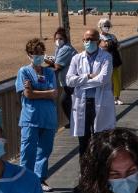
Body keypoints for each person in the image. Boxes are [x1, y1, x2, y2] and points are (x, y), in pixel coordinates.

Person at [17, 38, 60, 193]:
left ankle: (40, 179)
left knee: (44, 151)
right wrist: (45, 93)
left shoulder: (49, 72)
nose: (39, 56)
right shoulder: (24, 71)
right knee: (27, 150)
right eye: (36, 54)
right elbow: (27, 94)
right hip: (30, 118)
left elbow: (54, 93)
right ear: (29, 54)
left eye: (41, 53)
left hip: (48, 118)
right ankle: (24, 181)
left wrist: (36, 91)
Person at [67, 28, 117, 158]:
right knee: (83, 142)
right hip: (83, 104)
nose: (89, 42)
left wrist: (80, 83)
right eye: (86, 39)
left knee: (101, 140)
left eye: (92, 39)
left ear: (98, 41)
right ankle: (84, 173)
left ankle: (99, 172)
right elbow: (69, 80)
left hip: (100, 102)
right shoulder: (76, 58)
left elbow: (103, 79)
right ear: (83, 41)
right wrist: (88, 76)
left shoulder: (106, 57)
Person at [52, 28, 77, 129]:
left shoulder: (66, 48)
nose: (58, 41)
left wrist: (50, 63)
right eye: (56, 39)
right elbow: (57, 61)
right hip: (68, 81)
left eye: (60, 38)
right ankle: (74, 122)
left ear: (65, 39)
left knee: (65, 101)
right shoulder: (59, 48)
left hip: (72, 81)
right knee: (67, 102)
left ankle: (75, 123)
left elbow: (58, 66)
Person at [98, 18, 125, 106]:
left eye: (108, 26)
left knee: (116, 79)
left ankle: (116, 97)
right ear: (100, 26)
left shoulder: (112, 36)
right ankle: (106, 97)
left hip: (114, 60)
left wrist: (108, 45)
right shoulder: (98, 37)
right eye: (105, 26)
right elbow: (102, 47)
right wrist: (107, 45)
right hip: (104, 62)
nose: (106, 27)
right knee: (105, 80)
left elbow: (117, 45)